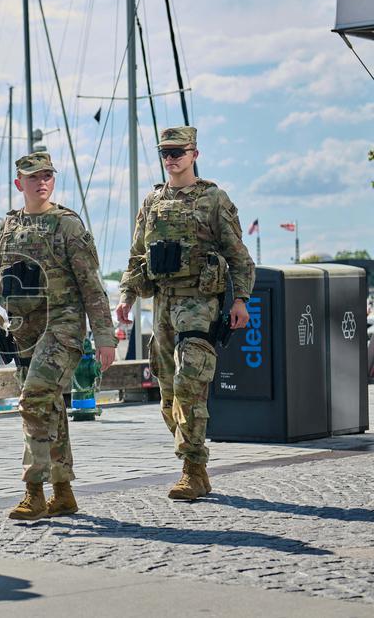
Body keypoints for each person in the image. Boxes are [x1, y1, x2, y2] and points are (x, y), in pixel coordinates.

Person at [0, 151, 116, 520]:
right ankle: (64, 492)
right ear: (18, 183)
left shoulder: (68, 226)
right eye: (34, 177)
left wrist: (105, 336)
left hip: (63, 325)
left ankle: (33, 492)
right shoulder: (5, 229)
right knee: (49, 407)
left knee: (34, 399)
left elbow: (92, 285)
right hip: (24, 332)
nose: (42, 182)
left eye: (47, 176)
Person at [115, 126, 254, 501]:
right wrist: (126, 296)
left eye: (178, 151)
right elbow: (136, 257)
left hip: (199, 303)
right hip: (162, 303)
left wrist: (240, 300)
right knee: (166, 391)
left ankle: (192, 468)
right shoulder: (152, 202)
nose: (171, 158)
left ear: (195, 154)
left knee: (189, 384)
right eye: (165, 152)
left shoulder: (213, 199)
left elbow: (239, 256)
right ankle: (196, 465)